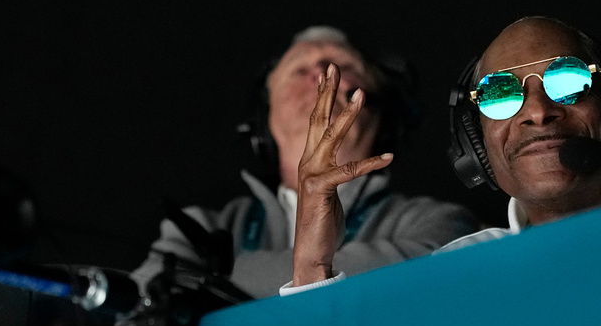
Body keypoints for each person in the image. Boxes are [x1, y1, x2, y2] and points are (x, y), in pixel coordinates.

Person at [282, 17, 601, 294]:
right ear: (475, 143)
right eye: (500, 94)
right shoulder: (456, 276)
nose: (537, 112)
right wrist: (311, 267)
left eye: (568, 80)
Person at [131, 26, 481, 299]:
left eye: (344, 68)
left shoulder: (438, 221)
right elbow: (133, 321)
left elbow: (427, 284)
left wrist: (217, 281)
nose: (322, 74)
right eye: (299, 69)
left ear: (381, 116)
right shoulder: (198, 228)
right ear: (264, 120)